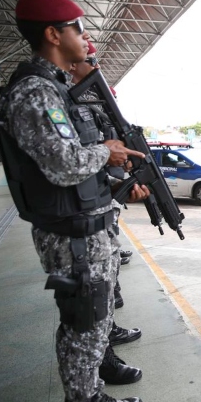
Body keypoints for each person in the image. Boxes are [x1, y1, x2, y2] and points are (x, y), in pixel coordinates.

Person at [0, 0, 148, 402]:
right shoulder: (35, 92)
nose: (85, 36)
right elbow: (64, 165)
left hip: (82, 226)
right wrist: (107, 151)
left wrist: (112, 172)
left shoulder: (54, 88)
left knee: (92, 319)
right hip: (71, 234)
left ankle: (91, 395)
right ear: (52, 34)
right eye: (78, 27)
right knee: (84, 323)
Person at [70, 42, 142, 349]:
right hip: (75, 220)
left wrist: (114, 185)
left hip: (94, 206)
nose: (95, 66)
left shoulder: (80, 103)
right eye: (90, 60)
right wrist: (105, 154)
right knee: (88, 306)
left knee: (99, 298)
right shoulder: (48, 96)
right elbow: (64, 164)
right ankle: (89, 390)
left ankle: (106, 345)